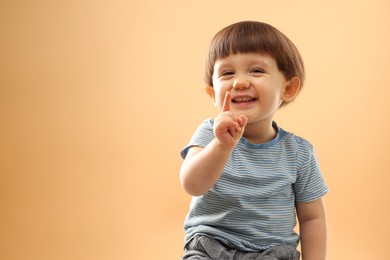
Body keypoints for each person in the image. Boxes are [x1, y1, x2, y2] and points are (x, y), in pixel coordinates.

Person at [179, 21, 328, 260]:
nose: (239, 82)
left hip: (272, 253)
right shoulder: (210, 133)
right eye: (227, 73)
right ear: (212, 93)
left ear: (288, 88)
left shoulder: (299, 153)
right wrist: (222, 145)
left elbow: (312, 217)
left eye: (256, 71)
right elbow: (192, 185)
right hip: (210, 246)